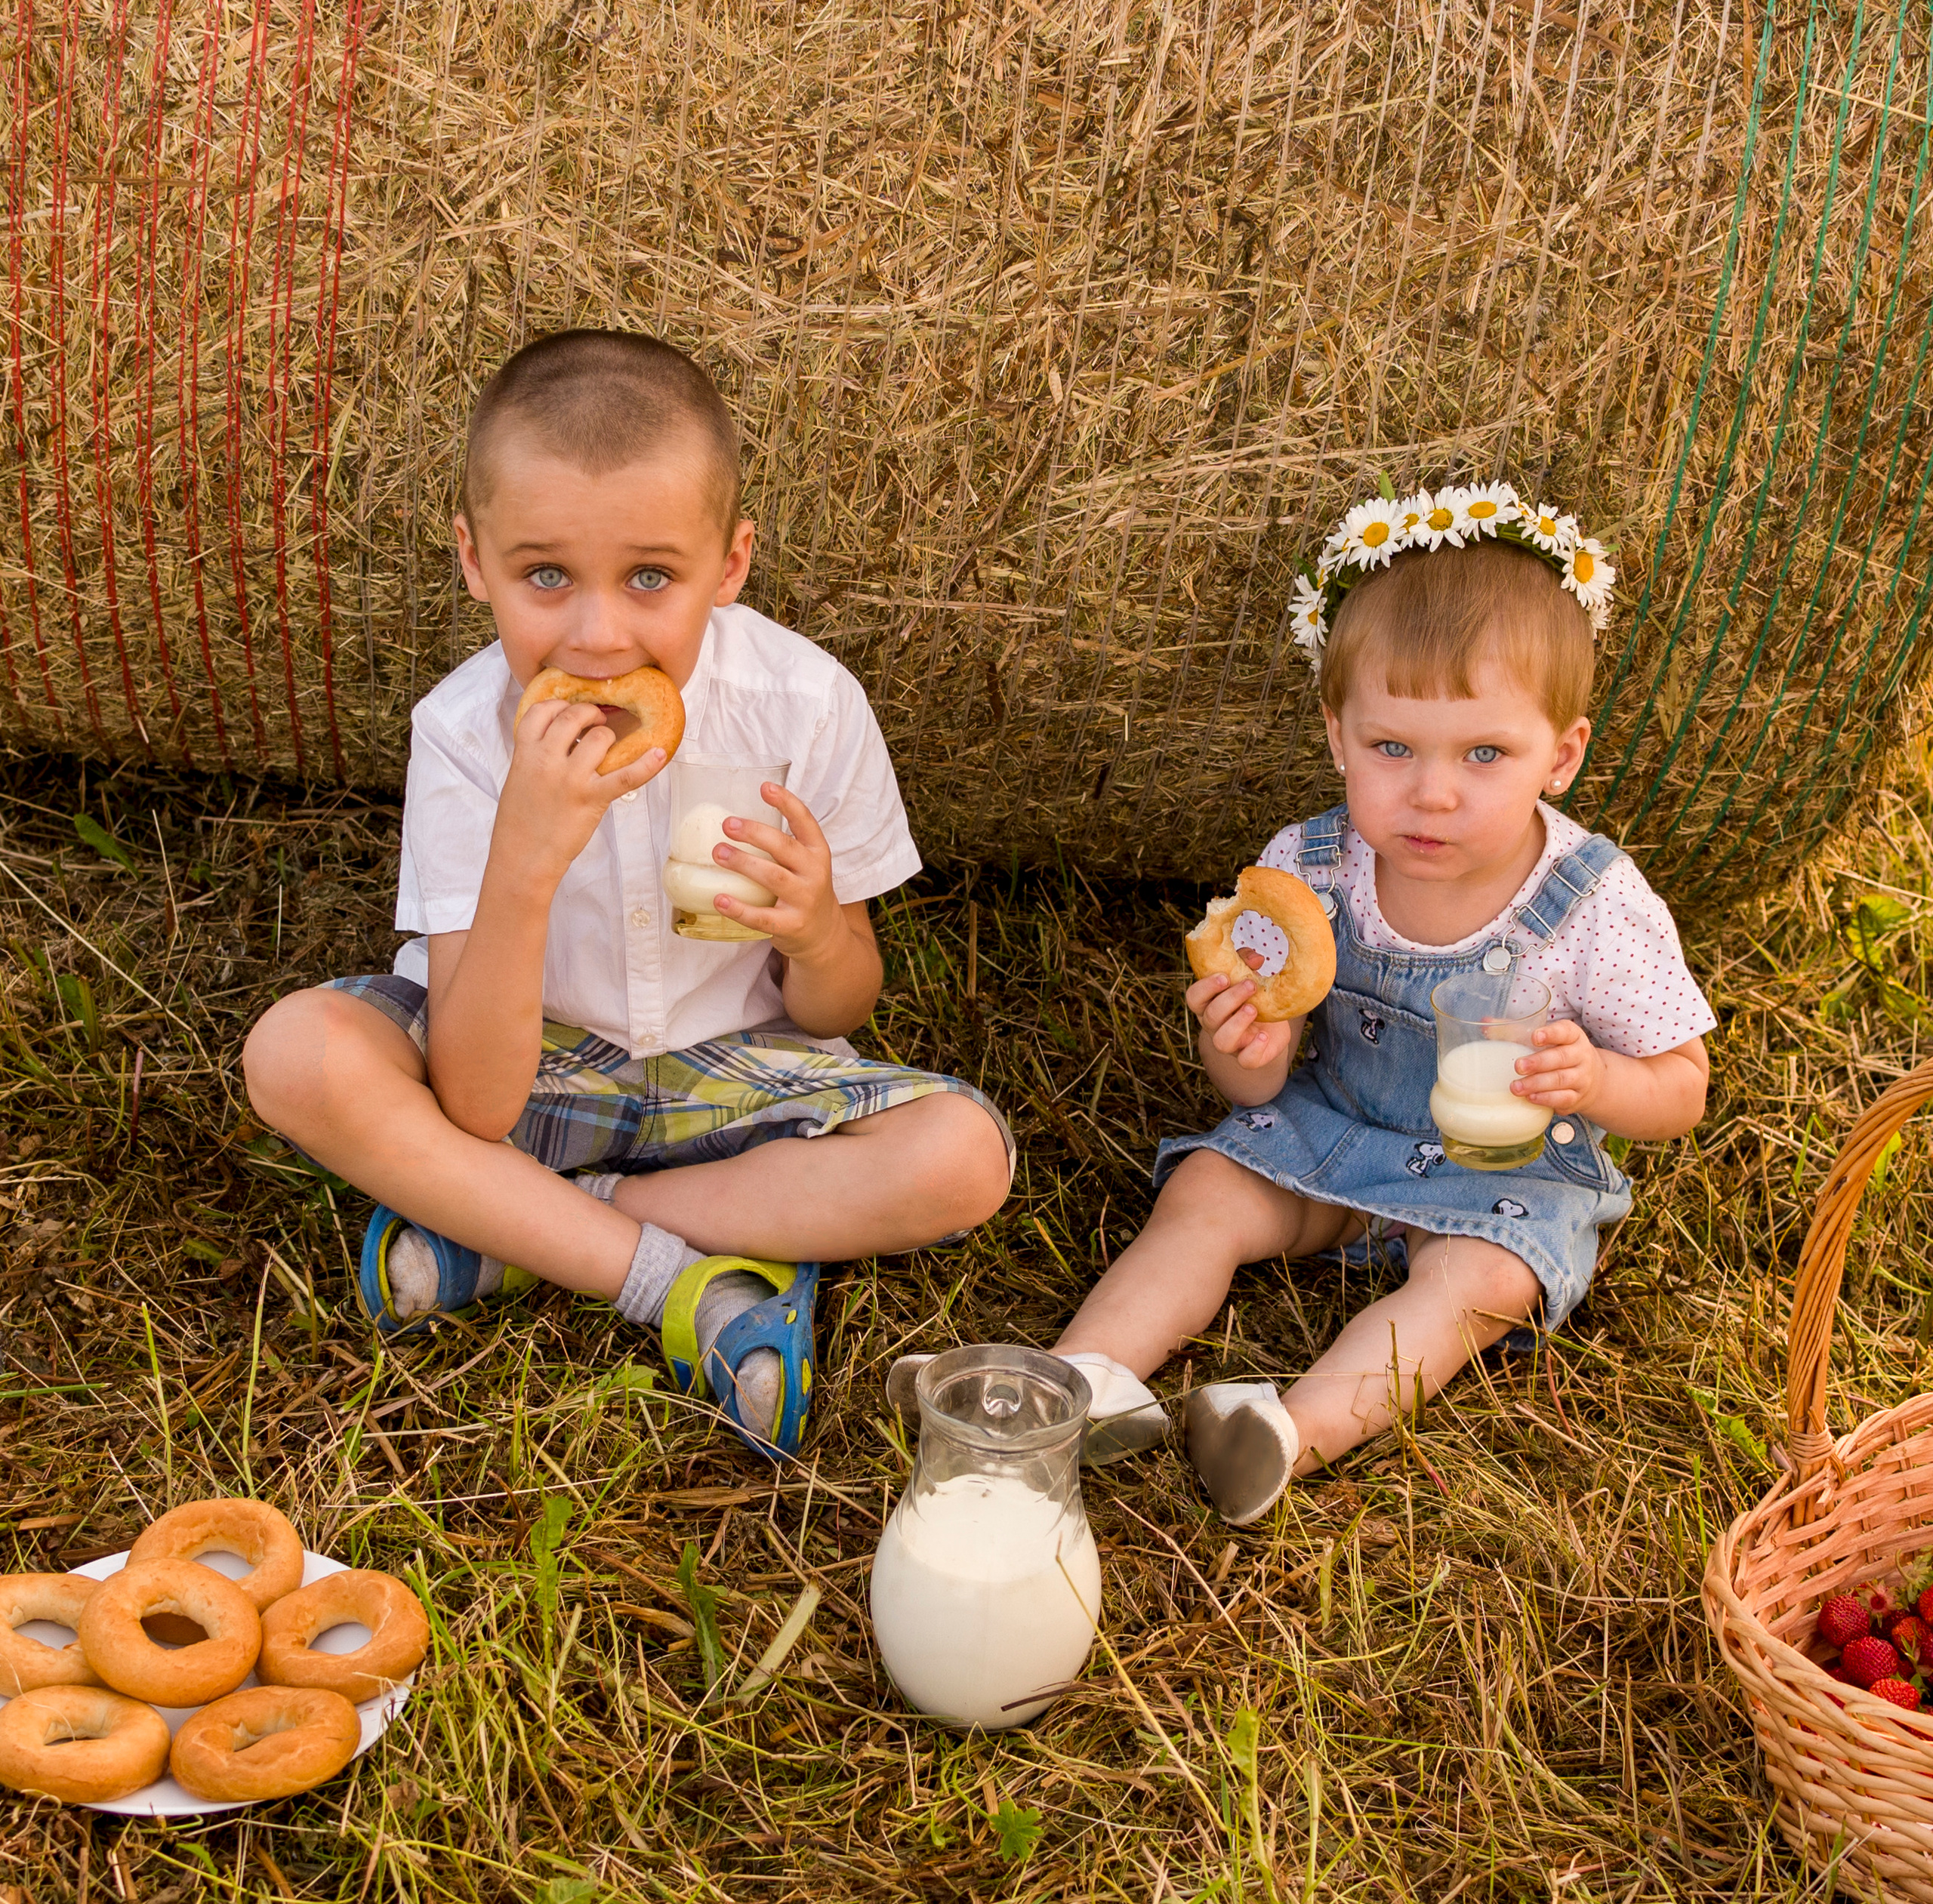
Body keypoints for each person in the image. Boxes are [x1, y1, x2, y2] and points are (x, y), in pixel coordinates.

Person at [243, 329, 1013, 1461]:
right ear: (474, 559)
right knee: (295, 1055)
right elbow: (479, 1104)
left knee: (963, 1159)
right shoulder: (464, 737)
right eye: (545, 576)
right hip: (532, 1074)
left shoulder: (804, 708)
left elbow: (838, 1009)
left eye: (650, 577)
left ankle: (513, 1229)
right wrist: (526, 855)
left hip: (734, 1079)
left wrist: (813, 934)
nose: (599, 636)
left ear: (730, 564)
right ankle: (675, 1282)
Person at [1048, 486, 1712, 1521]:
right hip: (1335, 1126)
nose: (1433, 792)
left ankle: (1287, 1435)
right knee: (1207, 1193)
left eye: (1485, 754)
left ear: (1562, 754)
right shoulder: (1307, 868)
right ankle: (1074, 1385)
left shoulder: (1594, 903)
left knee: (1477, 1286)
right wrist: (1244, 1045)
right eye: (1392, 748)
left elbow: (1683, 1088)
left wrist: (1598, 1080)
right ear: (1337, 736)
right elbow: (1253, 1084)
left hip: (1503, 1172)